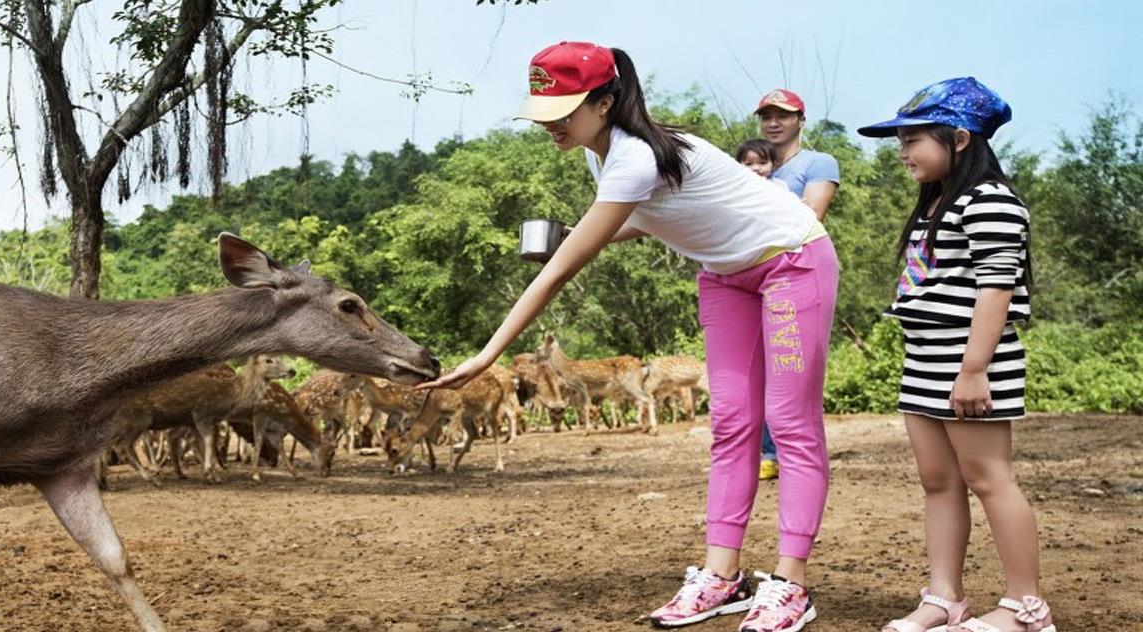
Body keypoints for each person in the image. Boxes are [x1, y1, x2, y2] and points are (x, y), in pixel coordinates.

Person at [422, 42, 837, 631]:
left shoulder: (637, 156)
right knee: (732, 422)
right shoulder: (606, 155)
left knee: (789, 423)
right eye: (544, 109)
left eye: (563, 109)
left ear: (606, 102)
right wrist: (573, 232)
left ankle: (790, 583)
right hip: (724, 275)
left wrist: (489, 352)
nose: (551, 123)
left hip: (791, 261)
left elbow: (561, 271)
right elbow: (640, 222)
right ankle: (723, 576)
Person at [860, 77, 1054, 632]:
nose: (902, 152)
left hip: (969, 363)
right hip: (926, 359)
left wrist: (973, 371)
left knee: (990, 477)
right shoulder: (939, 203)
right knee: (938, 481)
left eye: (913, 139)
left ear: (960, 139)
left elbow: (996, 288)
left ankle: (1026, 608)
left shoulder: (990, 199)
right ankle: (944, 597)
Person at [754, 89, 841, 481]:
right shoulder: (752, 163)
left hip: (797, 272)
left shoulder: (818, 162)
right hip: (751, 273)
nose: (774, 122)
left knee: (793, 368)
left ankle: (797, 454)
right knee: (755, 370)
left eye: (783, 116)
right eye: (767, 116)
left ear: (800, 120)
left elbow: (812, 214)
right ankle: (765, 453)